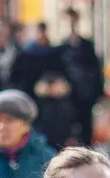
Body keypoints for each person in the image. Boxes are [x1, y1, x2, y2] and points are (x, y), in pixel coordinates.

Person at [58, 8, 103, 148]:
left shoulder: (87, 45)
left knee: (86, 129)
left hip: (85, 94)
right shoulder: (61, 47)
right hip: (68, 97)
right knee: (68, 130)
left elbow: (96, 70)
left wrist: (98, 92)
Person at [7, 21, 64, 96]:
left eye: (42, 31)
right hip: (30, 92)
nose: (40, 35)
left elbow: (58, 71)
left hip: (51, 93)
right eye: (38, 32)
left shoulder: (54, 52)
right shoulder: (25, 54)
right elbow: (17, 77)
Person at [32, 72, 80, 150]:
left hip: (63, 142)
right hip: (42, 141)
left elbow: (73, 121)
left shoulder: (67, 103)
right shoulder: (38, 103)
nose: (51, 88)